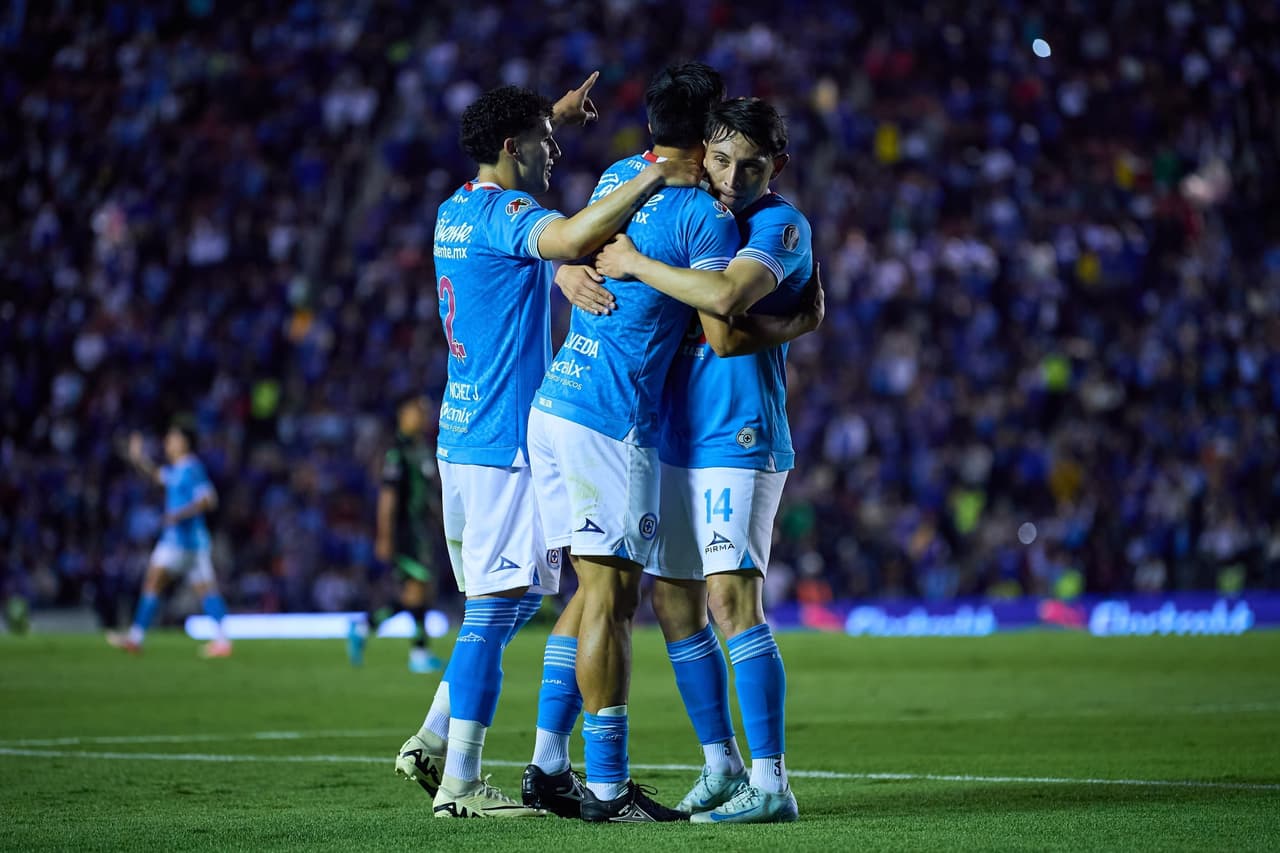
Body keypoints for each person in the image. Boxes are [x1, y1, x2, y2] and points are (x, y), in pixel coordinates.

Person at [392, 74, 701, 820]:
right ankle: (461, 781)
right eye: (544, 143)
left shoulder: (455, 208)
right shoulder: (508, 212)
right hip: (501, 438)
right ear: (511, 148)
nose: (554, 154)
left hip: (466, 430)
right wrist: (657, 172)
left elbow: (534, 239)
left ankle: (432, 739)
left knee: (518, 598)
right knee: (492, 612)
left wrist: (548, 118)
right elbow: (566, 236)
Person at [522, 61, 750, 824]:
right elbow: (720, 329)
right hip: (611, 421)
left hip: (558, 398)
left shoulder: (619, 174)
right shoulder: (705, 217)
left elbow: (576, 250)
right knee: (614, 605)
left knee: (591, 595)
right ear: (711, 132)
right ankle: (609, 788)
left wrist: (569, 275)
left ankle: (546, 764)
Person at [594, 97, 817, 824]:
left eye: (751, 165)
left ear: (776, 167)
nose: (732, 176)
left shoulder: (779, 225)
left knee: (731, 600)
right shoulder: (683, 206)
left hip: (738, 436)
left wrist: (634, 262)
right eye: (721, 159)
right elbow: (582, 247)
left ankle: (771, 782)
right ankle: (721, 765)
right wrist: (572, 274)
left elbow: (723, 304)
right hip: (674, 432)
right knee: (674, 601)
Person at [107, 423, 232, 658]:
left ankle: (135, 637)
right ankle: (223, 641)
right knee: (206, 590)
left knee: (153, 582)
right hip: (195, 542)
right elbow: (156, 475)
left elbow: (209, 499)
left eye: (172, 438)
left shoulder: (192, 468)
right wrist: (138, 458)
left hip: (179, 541)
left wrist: (179, 514)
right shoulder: (178, 469)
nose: (167, 442)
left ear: (184, 442)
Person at [347, 393, 444, 674]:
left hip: (422, 530)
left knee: (420, 592)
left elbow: (430, 496)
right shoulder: (397, 452)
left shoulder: (423, 448)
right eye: (417, 410)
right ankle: (419, 653)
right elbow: (387, 497)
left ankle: (365, 626)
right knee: (418, 588)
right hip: (405, 531)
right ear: (403, 413)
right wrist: (384, 536)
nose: (423, 415)